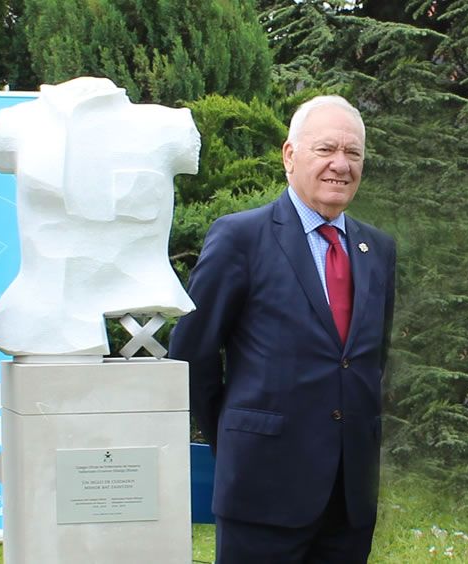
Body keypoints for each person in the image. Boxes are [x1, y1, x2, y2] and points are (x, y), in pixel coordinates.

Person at [169, 95, 396, 563]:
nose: (341, 165)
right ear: (290, 155)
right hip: (262, 488)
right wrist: (238, 437)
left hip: (350, 499)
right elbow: (192, 354)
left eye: (353, 153)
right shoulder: (240, 238)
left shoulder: (378, 249)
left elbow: (371, 360)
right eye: (326, 149)